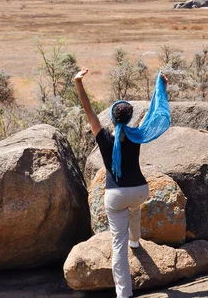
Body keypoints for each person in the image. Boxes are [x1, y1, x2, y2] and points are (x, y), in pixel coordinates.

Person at [74, 67, 170, 298]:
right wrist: (162, 86)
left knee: (118, 244)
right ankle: (136, 242)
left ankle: (124, 294)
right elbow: (153, 112)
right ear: (129, 118)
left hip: (116, 195)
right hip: (140, 190)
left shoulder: (105, 137)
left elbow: (88, 110)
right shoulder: (138, 135)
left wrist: (78, 83)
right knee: (135, 210)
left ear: (112, 118)